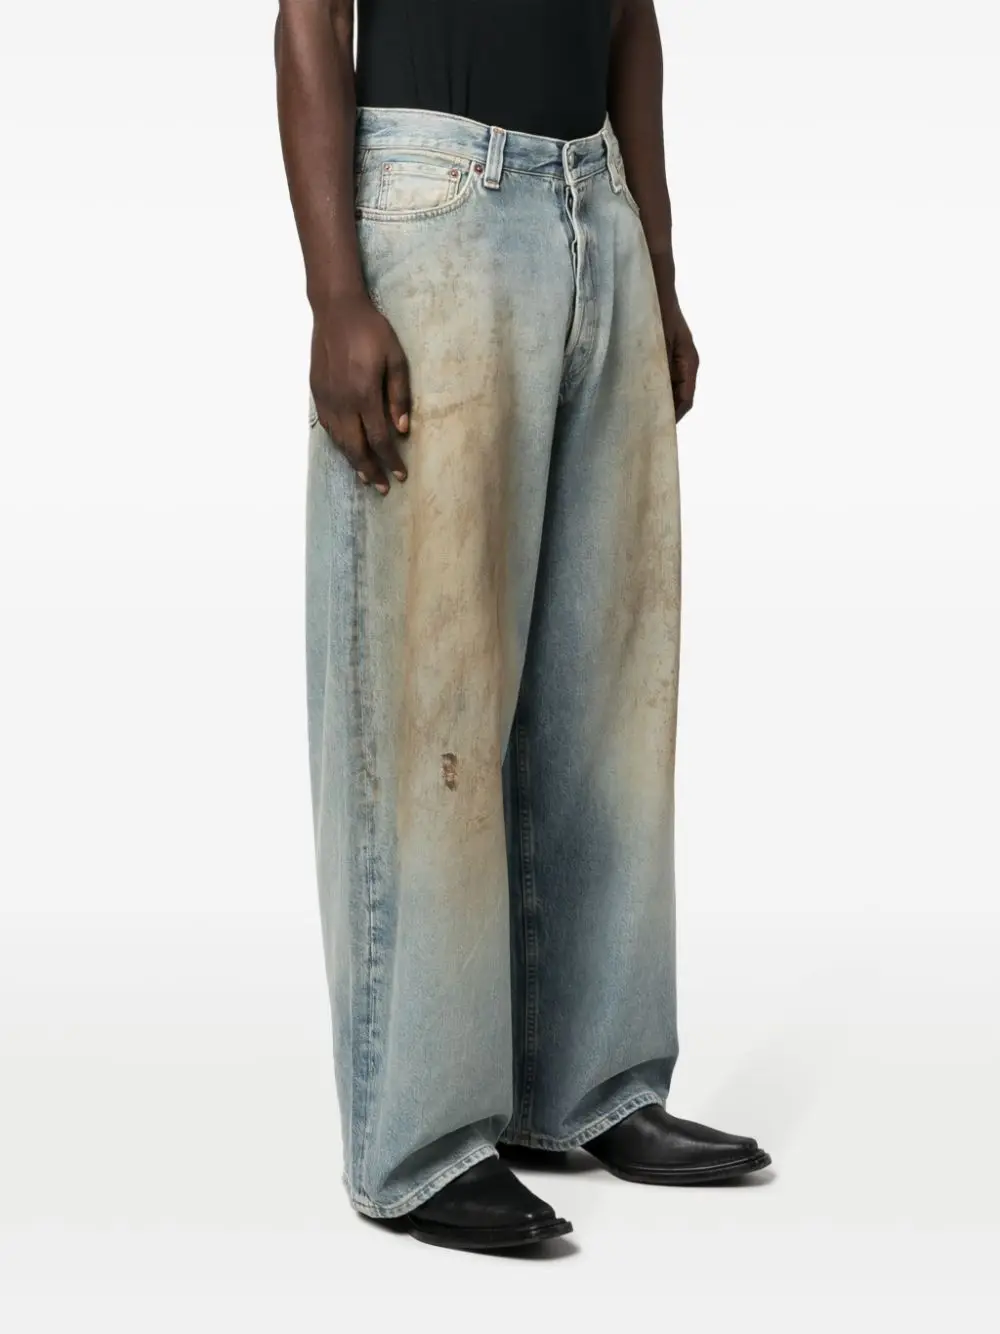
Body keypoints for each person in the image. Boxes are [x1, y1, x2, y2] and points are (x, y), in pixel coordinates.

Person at [275, 0, 771, 1252]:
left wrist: (655, 268)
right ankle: (421, 1139)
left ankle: (593, 1082)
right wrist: (335, 292)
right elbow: (307, 16)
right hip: (435, 196)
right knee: (427, 692)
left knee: (604, 681)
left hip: (594, 205)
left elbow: (631, 19)